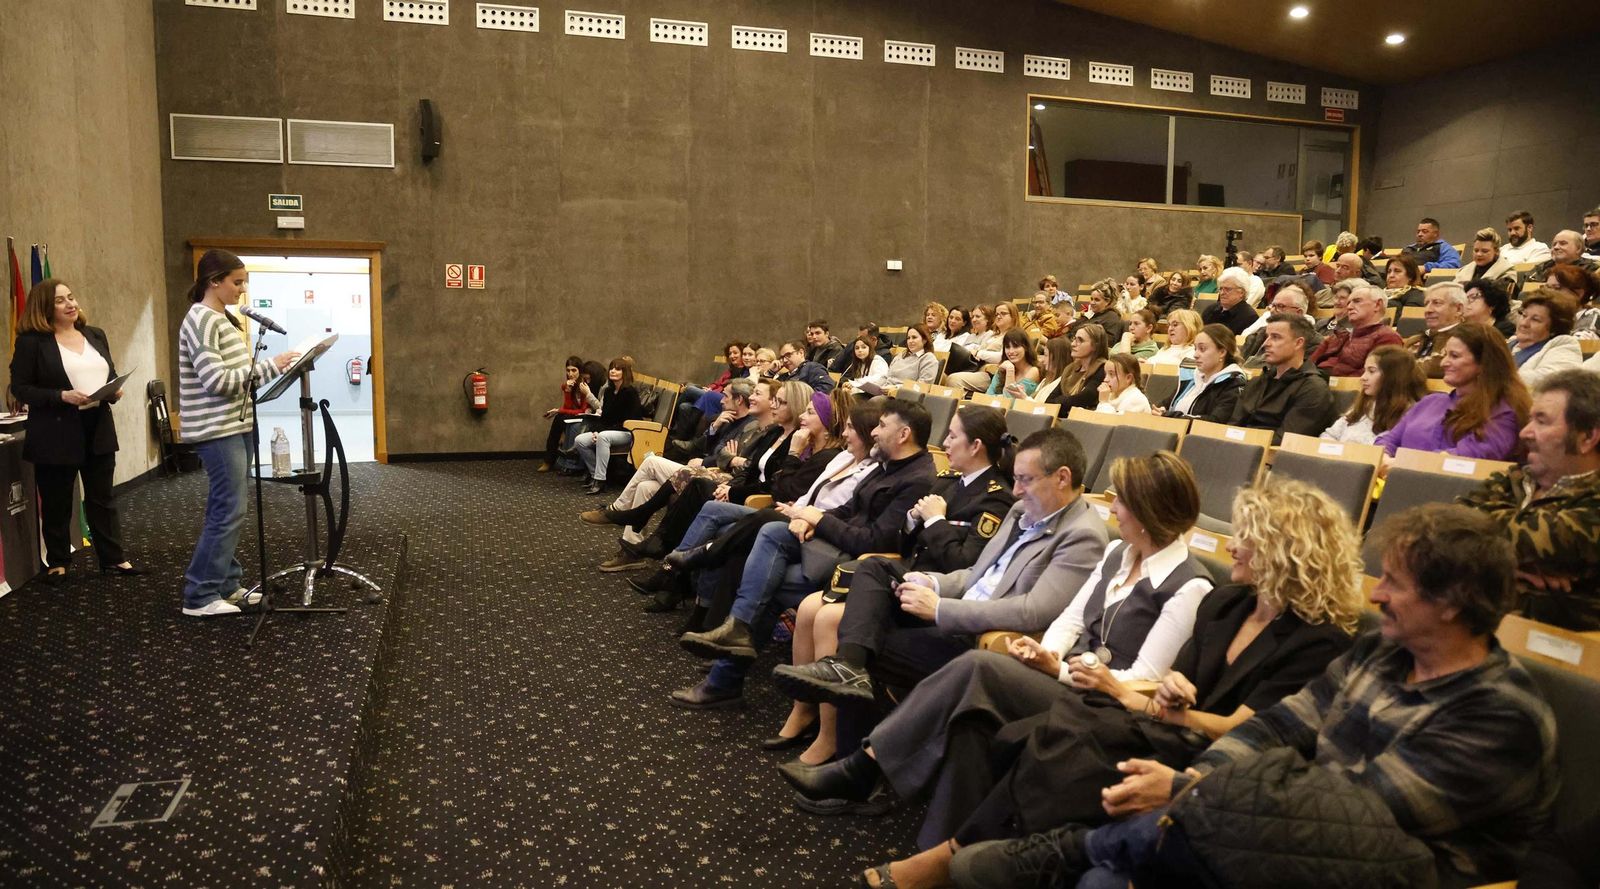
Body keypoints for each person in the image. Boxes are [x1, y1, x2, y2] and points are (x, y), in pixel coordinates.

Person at [952, 504, 1557, 889]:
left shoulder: (1500, 715)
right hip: (1294, 826)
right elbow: (1278, 727)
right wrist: (1199, 782)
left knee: (1109, 865)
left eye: (1395, 584)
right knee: (1110, 866)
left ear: (1451, 603)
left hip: (1393, 865)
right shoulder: (1383, 653)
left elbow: (1361, 812)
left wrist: (1188, 790)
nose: (1376, 597)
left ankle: (1071, 849)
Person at [815, 481, 1361, 889]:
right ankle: (948, 852)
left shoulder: (1315, 640)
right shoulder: (1229, 603)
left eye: (1248, 539)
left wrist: (1145, 700)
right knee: (990, 718)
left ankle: (943, 842)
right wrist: (1167, 691)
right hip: (1146, 716)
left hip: (1209, 758)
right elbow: (1174, 678)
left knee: (1040, 713)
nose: (1234, 546)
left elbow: (1251, 730)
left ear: (1285, 552)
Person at [770, 427, 1111, 720]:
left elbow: (1031, 611)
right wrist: (931, 583)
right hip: (953, 608)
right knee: (875, 569)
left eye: (1025, 479)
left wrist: (939, 608)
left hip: (978, 634)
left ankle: (851, 725)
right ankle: (848, 670)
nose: (1017, 490)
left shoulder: (1082, 535)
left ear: (1062, 477)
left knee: (858, 640)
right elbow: (977, 573)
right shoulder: (1023, 509)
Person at [767, 405, 1017, 764]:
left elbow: (965, 565)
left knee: (829, 619)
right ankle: (804, 710)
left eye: (953, 436)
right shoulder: (947, 481)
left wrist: (935, 521)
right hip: (906, 578)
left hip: (934, 595)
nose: (945, 443)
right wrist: (914, 521)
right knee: (808, 608)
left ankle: (832, 737)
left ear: (976, 445)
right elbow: (902, 540)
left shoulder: (995, 497)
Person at [674, 399, 936, 692]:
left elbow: (873, 540)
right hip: (833, 543)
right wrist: (809, 518)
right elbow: (848, 509)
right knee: (773, 531)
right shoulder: (888, 464)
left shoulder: (917, 480)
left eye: (882, 426)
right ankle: (733, 639)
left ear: (903, 434)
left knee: (767, 582)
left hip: (856, 565)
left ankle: (724, 676)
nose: (875, 432)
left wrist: (818, 520)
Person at [176, 249, 300, 617]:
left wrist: (266, 369)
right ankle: (199, 595)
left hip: (235, 424)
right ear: (214, 281)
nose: (242, 289)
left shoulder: (221, 319)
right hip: (217, 429)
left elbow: (235, 378)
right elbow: (217, 382)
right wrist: (271, 366)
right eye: (237, 282)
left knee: (228, 507)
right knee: (228, 509)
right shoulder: (201, 319)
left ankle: (226, 585)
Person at [9, 278, 141, 585]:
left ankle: (113, 558)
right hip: (55, 429)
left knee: (102, 497)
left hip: (97, 426)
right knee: (57, 499)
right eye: (60, 301)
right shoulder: (32, 342)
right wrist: (61, 396)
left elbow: (108, 371)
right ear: (44, 308)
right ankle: (58, 561)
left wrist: (113, 390)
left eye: (71, 297)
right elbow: (21, 388)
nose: (70, 304)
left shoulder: (94, 334)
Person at [1460, 369, 1600, 631]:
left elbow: (1532, 540)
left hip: (1551, 648)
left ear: (1587, 438)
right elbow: (1443, 526)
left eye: (1542, 422)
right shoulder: (1514, 479)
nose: (1524, 432)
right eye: (1530, 420)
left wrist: (1471, 560)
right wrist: (1503, 567)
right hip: (1474, 632)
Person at [580, 377, 763, 549]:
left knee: (651, 462)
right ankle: (631, 546)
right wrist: (714, 428)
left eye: (726, 396)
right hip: (703, 470)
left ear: (739, 400)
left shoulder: (750, 426)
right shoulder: (726, 419)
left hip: (712, 477)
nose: (721, 400)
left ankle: (616, 510)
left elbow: (732, 461)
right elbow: (702, 447)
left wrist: (709, 460)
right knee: (645, 487)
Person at [1377, 323, 1531, 461]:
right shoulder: (1429, 402)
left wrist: (1400, 464)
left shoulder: (1502, 414)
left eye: (1454, 356)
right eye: (1445, 355)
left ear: (1484, 363)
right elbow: (1388, 440)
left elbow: (1464, 460)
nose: (1443, 363)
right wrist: (1383, 458)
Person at [1229, 314, 1337, 440]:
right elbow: (1232, 426)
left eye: (1275, 337)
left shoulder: (1313, 389)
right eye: (1267, 337)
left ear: (1298, 343)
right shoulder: (1256, 382)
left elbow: (1286, 440)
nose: (1265, 344)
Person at [1321, 345, 1426, 445]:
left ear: (1392, 376)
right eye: (1364, 371)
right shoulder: (1364, 405)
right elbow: (1329, 435)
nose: (1363, 377)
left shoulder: (1410, 415)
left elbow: (1387, 449)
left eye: (1371, 371)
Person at [574, 356, 642, 494]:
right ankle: (595, 474)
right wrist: (596, 431)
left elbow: (630, 420)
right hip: (610, 431)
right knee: (580, 440)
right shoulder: (609, 391)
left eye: (617, 369)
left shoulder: (630, 392)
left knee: (603, 437)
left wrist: (602, 433)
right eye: (611, 368)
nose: (613, 371)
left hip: (628, 432)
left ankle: (600, 480)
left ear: (625, 373)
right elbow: (604, 418)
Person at [1308, 283, 1404, 377]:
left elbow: (1373, 376)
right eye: (1349, 303)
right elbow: (1308, 366)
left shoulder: (1388, 338)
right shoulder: (1338, 337)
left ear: (1377, 305)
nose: (1349, 307)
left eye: (1357, 301)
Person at [1160, 324, 1245, 423]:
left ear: (1222, 352)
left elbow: (1215, 421)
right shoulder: (1190, 376)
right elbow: (1166, 404)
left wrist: (1171, 416)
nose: (1195, 355)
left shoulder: (1233, 383)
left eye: (1202, 349)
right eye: (1195, 349)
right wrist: (1160, 410)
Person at [1508, 288, 1584, 386]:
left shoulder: (1565, 346)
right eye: (1524, 315)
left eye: (1535, 320)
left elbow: (1551, 381)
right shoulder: (1510, 343)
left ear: (1554, 328)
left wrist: (1494, 377)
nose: (1524, 323)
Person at [1238, 282, 1322, 367]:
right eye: (1272, 305)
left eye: (1280, 306)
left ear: (1299, 313)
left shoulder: (1314, 344)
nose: (1272, 310)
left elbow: (1285, 370)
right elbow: (1238, 361)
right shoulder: (1260, 334)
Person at [947, 303, 1018, 392]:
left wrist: (978, 353)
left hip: (993, 374)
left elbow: (1004, 356)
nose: (998, 316)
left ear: (1013, 316)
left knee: (954, 379)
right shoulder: (994, 336)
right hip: (979, 369)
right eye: (996, 314)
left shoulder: (1013, 335)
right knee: (943, 374)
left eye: (1003, 313)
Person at [1405, 281, 1468, 377]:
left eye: (1437, 303)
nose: (1428, 310)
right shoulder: (1414, 340)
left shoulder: (1466, 339)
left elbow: (1438, 367)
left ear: (1458, 309)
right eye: (1426, 304)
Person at [854, 324, 940, 393]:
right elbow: (886, 377)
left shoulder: (928, 359)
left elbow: (921, 386)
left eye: (914, 337)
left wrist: (896, 388)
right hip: (884, 391)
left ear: (924, 340)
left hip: (902, 397)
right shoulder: (900, 356)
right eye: (908, 338)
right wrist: (868, 386)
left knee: (873, 402)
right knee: (854, 398)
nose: (910, 341)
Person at [538, 355, 589, 472]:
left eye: (574, 370)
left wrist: (559, 410)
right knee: (559, 418)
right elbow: (568, 407)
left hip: (585, 415)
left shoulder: (585, 386)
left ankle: (550, 460)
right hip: (572, 415)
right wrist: (567, 391)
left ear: (580, 371)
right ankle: (549, 460)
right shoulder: (567, 385)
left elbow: (582, 410)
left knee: (559, 417)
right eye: (568, 370)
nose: (570, 374)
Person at [1049, 325, 1109, 410]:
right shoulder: (1070, 369)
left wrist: (1059, 403)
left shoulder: (1102, 369)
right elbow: (1049, 401)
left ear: (1095, 346)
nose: (1073, 344)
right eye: (1074, 339)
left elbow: (1082, 400)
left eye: (1080, 340)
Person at [1545, 261, 1600, 338]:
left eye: (1556, 288)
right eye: (1547, 288)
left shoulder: (1593, 314)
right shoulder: (1546, 315)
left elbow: (1581, 342)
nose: (1548, 293)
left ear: (1579, 293)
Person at [1201, 267, 1258, 335]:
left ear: (1241, 293)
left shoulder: (1249, 317)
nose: (1222, 293)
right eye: (1221, 289)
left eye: (1227, 289)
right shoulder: (1211, 310)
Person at [989, 329, 1042, 398]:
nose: (1011, 351)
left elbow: (1010, 399)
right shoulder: (1004, 368)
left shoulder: (1033, 371)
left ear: (1026, 347)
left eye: (1016, 346)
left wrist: (1010, 370)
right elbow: (988, 395)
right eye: (1007, 347)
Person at [770, 340, 834, 392]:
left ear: (801, 353)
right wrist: (771, 372)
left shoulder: (813, 368)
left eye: (788, 355)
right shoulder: (783, 377)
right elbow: (768, 392)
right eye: (782, 357)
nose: (785, 360)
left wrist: (805, 400)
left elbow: (827, 387)